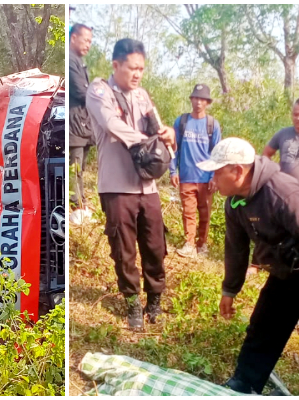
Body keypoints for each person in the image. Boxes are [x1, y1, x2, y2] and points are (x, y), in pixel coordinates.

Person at [197, 137, 299, 395]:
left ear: (238, 171)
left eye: (217, 172)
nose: (212, 179)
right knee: (264, 325)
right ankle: (244, 384)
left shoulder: (282, 192)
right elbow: (236, 250)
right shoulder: (234, 203)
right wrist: (229, 290)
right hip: (285, 268)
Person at [85, 38, 176, 330]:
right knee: (124, 250)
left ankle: (155, 299)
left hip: (147, 187)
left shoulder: (142, 96)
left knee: (155, 244)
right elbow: (112, 124)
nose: (137, 74)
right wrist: (150, 141)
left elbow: (158, 130)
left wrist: (167, 137)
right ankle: (132, 302)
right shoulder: (99, 91)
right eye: (132, 68)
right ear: (116, 65)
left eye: (141, 69)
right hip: (116, 185)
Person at [169, 84, 222, 258]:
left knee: (205, 213)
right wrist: (172, 171)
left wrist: (215, 176)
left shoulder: (212, 125)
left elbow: (217, 153)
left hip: (206, 178)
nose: (198, 102)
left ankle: (202, 244)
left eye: (202, 99)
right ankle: (189, 244)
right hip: (186, 176)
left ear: (207, 102)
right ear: (191, 99)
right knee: (188, 212)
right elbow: (173, 148)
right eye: (196, 98)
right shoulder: (182, 122)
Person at [69, 23, 94, 209]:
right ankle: (76, 205)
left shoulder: (78, 61)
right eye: (86, 40)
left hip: (82, 125)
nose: (88, 44)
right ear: (73, 38)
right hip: (74, 127)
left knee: (80, 169)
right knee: (74, 168)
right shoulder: (69, 61)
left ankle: (82, 200)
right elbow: (81, 92)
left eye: (90, 41)